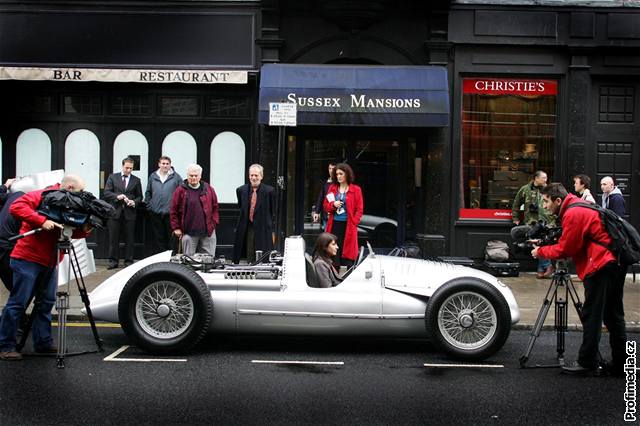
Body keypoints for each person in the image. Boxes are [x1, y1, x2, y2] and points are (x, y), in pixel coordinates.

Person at [531, 183, 626, 376]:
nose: (545, 206)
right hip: (615, 261)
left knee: (592, 315)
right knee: (613, 315)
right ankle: (621, 364)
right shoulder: (578, 205)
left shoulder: (573, 213)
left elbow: (567, 249)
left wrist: (539, 251)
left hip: (600, 264)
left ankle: (586, 363)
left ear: (558, 200)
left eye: (546, 201)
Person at [0, 175, 90, 361]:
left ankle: (43, 342)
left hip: (50, 261)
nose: (81, 196)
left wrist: (87, 227)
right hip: (27, 258)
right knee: (18, 302)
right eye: (80, 192)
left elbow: (72, 233)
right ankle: (5, 346)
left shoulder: (68, 204)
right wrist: (41, 221)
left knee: (46, 302)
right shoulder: (41, 195)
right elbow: (16, 207)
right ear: (70, 187)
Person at [170, 164, 219, 256]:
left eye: (196, 175)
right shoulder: (180, 190)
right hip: (188, 232)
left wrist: (213, 223)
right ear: (187, 175)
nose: (193, 178)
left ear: (200, 176)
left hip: (207, 232)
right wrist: (176, 228)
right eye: (191, 175)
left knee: (207, 261)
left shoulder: (208, 189)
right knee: (188, 261)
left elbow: (215, 206)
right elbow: (173, 210)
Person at [512, 170, 553, 278]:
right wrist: (515, 218)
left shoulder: (549, 190)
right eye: (543, 178)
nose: (546, 180)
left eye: (546, 177)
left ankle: (543, 268)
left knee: (541, 243)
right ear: (536, 178)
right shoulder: (525, 189)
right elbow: (516, 204)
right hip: (530, 222)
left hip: (545, 222)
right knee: (537, 243)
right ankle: (546, 266)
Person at [103, 157, 142, 269]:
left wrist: (133, 202)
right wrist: (117, 196)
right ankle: (113, 261)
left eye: (131, 168)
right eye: (127, 168)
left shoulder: (136, 180)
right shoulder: (112, 177)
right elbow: (106, 193)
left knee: (130, 239)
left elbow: (140, 197)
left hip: (130, 213)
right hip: (115, 212)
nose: (129, 170)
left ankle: (128, 261)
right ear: (122, 166)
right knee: (113, 238)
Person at [322, 163, 364, 269]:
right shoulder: (332, 188)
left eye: (341, 174)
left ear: (347, 174)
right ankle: (334, 279)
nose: (339, 176)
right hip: (334, 225)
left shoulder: (356, 189)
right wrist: (333, 205)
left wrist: (354, 222)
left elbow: (359, 209)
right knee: (333, 252)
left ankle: (347, 278)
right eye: (337, 174)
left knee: (348, 253)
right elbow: (326, 206)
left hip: (349, 225)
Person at [233, 164, 276, 264]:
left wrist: (271, 227)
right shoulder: (241, 190)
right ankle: (250, 265)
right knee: (249, 248)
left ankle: (262, 266)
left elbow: (272, 210)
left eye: (256, 175)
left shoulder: (269, 191)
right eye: (251, 175)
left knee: (262, 250)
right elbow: (241, 207)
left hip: (263, 225)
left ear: (261, 176)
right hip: (248, 225)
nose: (253, 178)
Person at [145, 156, 182, 254]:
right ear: (159, 164)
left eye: (167, 164)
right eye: (163, 163)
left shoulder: (176, 177)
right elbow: (148, 192)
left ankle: (171, 258)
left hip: (170, 213)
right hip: (156, 212)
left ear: (170, 165)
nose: (165, 166)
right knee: (158, 237)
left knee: (171, 238)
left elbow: (182, 194)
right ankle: (161, 259)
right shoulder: (153, 176)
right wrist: (150, 206)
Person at [0, 190, 25, 291]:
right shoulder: (28, 205)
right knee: (17, 290)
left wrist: (4, 186)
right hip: (6, 246)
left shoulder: (15, 195)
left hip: (5, 244)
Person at [311, 162, 336, 229]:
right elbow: (321, 198)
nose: (331, 170)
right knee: (327, 236)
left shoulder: (340, 183)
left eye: (333, 169)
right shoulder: (325, 183)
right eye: (329, 168)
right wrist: (317, 212)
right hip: (326, 214)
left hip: (337, 215)